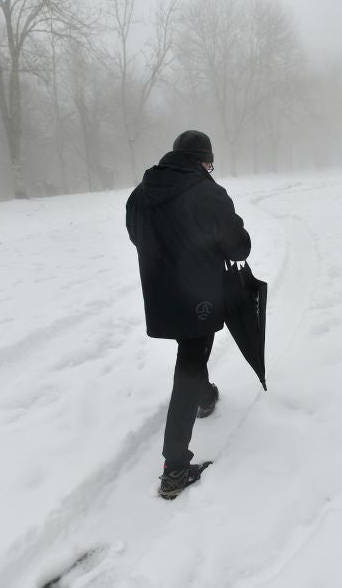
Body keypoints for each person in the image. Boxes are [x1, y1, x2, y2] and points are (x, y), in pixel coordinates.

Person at [126, 130, 252, 500]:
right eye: (210, 163)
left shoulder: (139, 194)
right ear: (202, 160)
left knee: (190, 351)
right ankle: (175, 469)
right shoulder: (209, 193)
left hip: (161, 294)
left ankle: (205, 396)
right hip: (199, 296)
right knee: (190, 364)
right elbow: (239, 248)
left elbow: (137, 236)